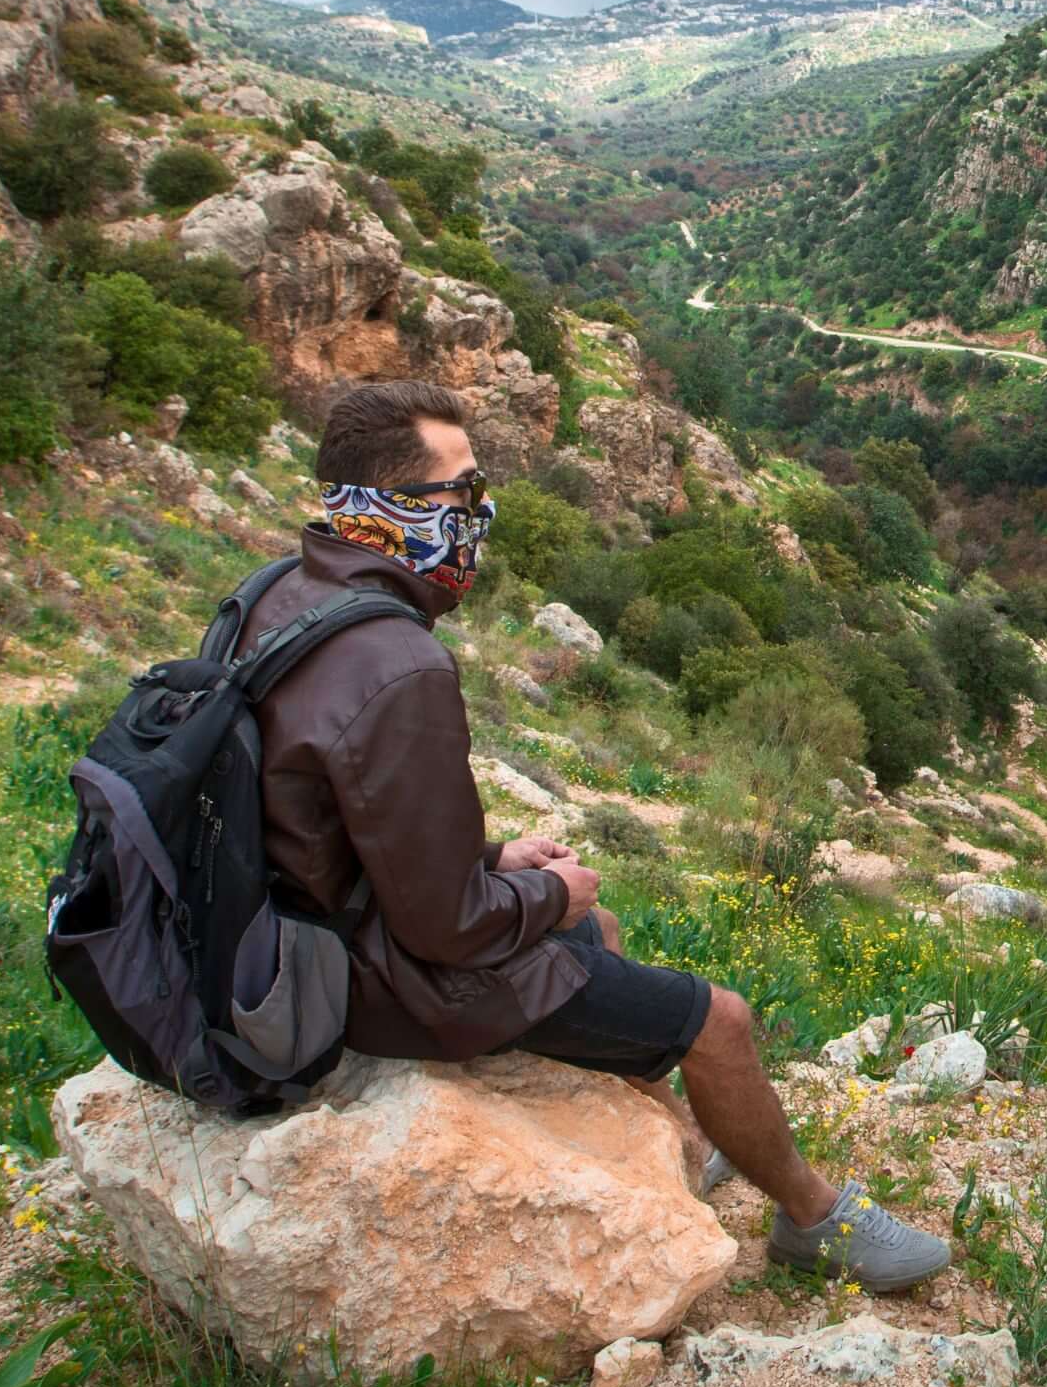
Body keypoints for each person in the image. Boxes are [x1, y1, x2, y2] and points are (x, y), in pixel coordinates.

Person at [243, 376, 948, 1292]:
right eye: (462, 493)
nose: (479, 515)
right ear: (392, 507)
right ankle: (812, 1218)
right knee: (720, 1019)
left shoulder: (285, 594)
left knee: (596, 940)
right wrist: (544, 890)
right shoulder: (397, 662)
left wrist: (497, 861)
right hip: (362, 978)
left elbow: (326, 816)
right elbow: (446, 930)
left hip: (299, 931)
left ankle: (685, 1145)